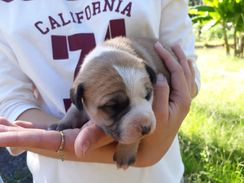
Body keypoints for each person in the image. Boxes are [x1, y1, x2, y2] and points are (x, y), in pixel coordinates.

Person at [0, 0, 200, 183]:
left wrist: (143, 145)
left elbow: (187, 72)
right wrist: (68, 139)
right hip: (60, 176)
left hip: (158, 175)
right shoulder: (6, 8)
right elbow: (10, 101)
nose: (144, 120)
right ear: (78, 99)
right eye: (114, 107)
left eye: (146, 95)